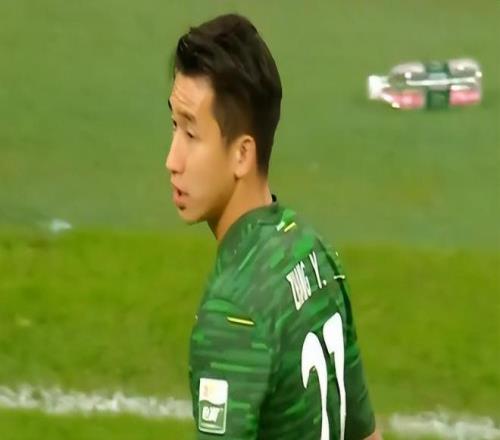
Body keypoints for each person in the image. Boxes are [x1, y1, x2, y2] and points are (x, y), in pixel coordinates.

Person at [166, 13, 381, 440]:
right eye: (174, 126)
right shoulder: (313, 251)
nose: (172, 160)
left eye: (191, 134)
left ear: (242, 155)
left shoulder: (233, 312)